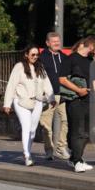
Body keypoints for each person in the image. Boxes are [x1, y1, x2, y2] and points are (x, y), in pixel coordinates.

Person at [3, 45, 54, 166]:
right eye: (33, 55)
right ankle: (27, 155)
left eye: (37, 55)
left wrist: (51, 98)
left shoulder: (40, 67)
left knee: (32, 130)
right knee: (26, 126)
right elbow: (11, 85)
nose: (35, 57)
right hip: (21, 101)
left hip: (37, 101)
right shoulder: (19, 67)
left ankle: (28, 152)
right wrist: (7, 104)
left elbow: (47, 83)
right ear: (26, 54)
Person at [58, 36, 95, 173]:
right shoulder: (70, 59)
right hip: (75, 100)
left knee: (87, 132)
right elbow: (62, 80)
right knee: (77, 131)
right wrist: (78, 90)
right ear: (91, 45)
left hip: (89, 100)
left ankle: (76, 158)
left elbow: (93, 81)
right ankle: (76, 161)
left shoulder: (90, 60)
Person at [38, 32, 69, 160]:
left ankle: (61, 148)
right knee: (46, 124)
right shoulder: (42, 57)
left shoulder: (64, 57)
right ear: (47, 43)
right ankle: (49, 150)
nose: (57, 43)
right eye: (53, 41)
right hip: (49, 95)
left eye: (58, 41)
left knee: (66, 121)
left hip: (63, 94)